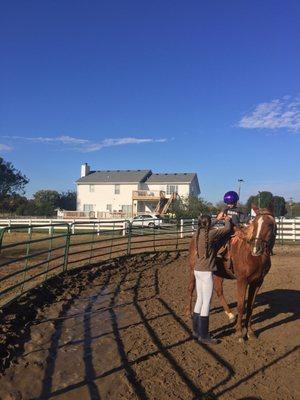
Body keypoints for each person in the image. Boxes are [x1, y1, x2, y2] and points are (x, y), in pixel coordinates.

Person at [193, 214, 233, 344]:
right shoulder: (211, 234)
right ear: (209, 223)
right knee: (206, 303)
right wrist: (227, 220)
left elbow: (206, 225)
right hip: (206, 272)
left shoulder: (197, 234)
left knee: (199, 299)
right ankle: (204, 336)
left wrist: (218, 219)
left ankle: (196, 331)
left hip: (197, 270)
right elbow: (227, 230)